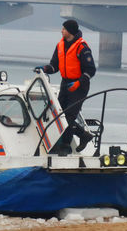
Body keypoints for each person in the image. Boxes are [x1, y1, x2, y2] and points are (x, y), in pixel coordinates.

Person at [35, 19, 96, 153]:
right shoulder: (60, 45)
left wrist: (79, 83)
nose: (61, 31)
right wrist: (45, 68)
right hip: (65, 83)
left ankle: (66, 146)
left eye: (63, 29)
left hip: (80, 86)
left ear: (70, 31)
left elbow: (91, 70)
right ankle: (83, 135)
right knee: (59, 115)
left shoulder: (82, 47)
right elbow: (54, 66)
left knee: (69, 116)